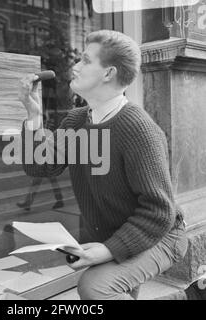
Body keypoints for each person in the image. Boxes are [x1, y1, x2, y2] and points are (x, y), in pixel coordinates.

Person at [18, 30, 188, 300]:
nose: (75, 67)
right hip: (117, 234)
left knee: (96, 286)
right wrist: (33, 116)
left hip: (161, 236)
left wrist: (106, 251)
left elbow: (158, 212)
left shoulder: (139, 130)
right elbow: (39, 167)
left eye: (85, 60)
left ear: (108, 73)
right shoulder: (75, 121)